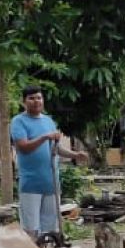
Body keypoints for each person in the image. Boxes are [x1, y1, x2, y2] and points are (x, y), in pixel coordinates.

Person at [11, 85, 86, 239]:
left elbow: (56, 148)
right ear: (23, 101)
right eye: (31, 98)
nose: (36, 101)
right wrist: (45, 137)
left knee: (51, 227)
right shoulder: (18, 121)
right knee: (31, 228)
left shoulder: (48, 121)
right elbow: (23, 147)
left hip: (51, 182)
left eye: (39, 97)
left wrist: (75, 155)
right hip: (31, 184)